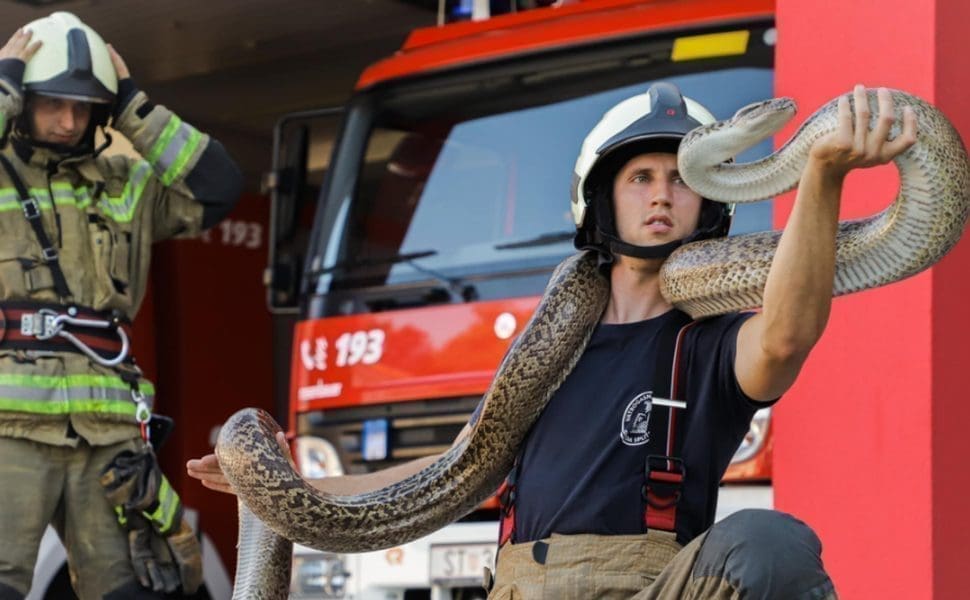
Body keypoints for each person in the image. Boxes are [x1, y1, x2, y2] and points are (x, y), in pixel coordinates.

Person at [188, 81, 915, 599]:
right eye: (640, 177)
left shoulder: (711, 343)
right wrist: (281, 485)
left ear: (712, 203)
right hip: (518, 589)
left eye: (679, 178)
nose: (662, 194)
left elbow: (786, 338)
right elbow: (447, 475)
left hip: (649, 587)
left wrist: (820, 176)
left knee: (770, 543)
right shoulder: (544, 355)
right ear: (602, 197)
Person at [0, 12, 242, 600]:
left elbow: (218, 185)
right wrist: (2, 90)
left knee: (138, 590)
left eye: (84, 107)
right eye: (53, 103)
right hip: (9, 433)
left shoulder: (125, 186)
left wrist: (135, 106)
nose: (68, 120)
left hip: (109, 445)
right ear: (25, 101)